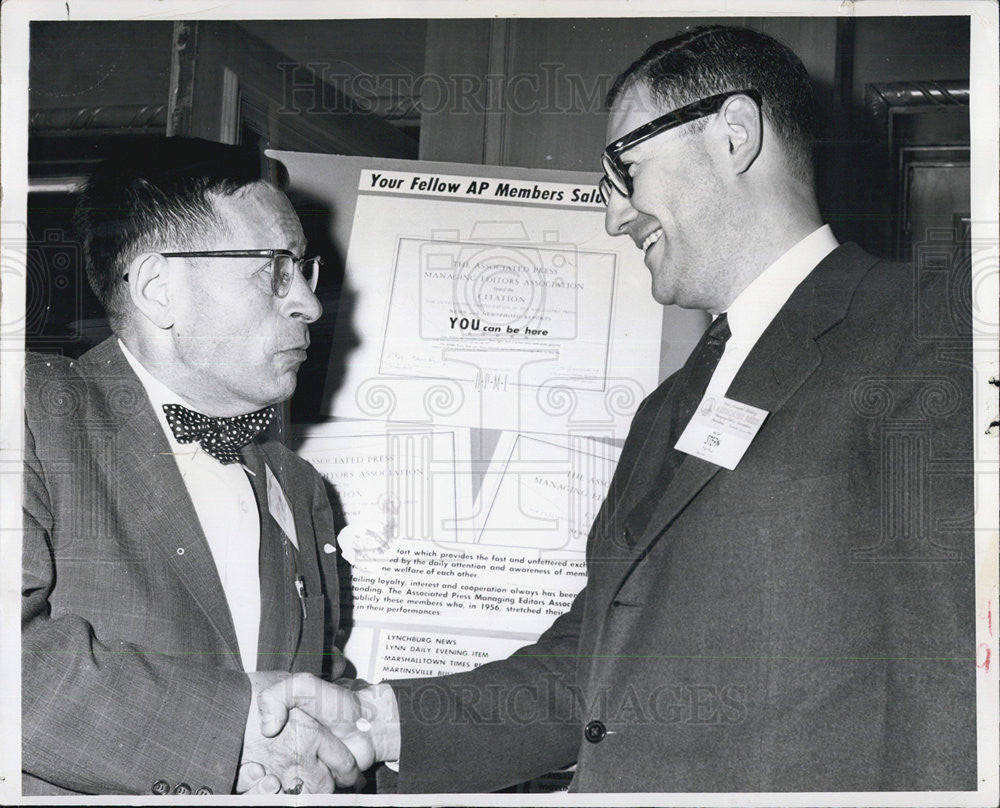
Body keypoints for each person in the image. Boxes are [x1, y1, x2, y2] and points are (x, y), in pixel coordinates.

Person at [257, 25, 976, 792]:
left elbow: (956, 671)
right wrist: (376, 722)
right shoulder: (668, 408)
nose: (614, 216)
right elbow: (593, 664)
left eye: (625, 167)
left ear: (735, 135)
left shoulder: (930, 328)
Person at [21, 138, 363, 795]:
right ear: (159, 289)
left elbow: (310, 685)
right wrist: (236, 731)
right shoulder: (31, 411)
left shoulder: (299, 485)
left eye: (306, 271)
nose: (311, 306)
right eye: (276, 270)